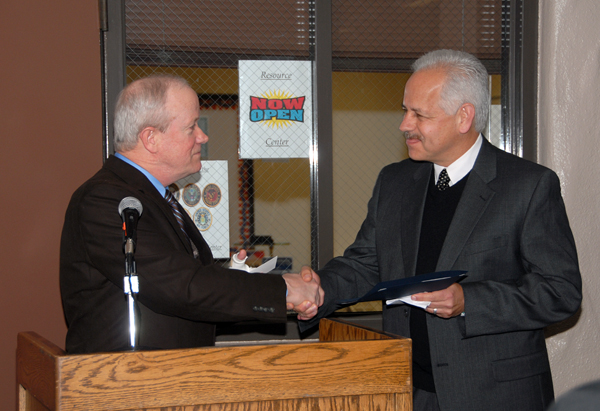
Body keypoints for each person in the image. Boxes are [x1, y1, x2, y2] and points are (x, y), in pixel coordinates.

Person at [297, 49, 582, 411]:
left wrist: (469, 301)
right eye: (404, 110)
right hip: (408, 391)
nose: (404, 124)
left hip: (495, 396)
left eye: (419, 114)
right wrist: (318, 289)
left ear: (464, 117)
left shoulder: (528, 186)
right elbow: (367, 263)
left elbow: (561, 291)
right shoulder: (395, 181)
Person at [60, 74, 323, 354]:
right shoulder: (106, 200)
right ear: (151, 138)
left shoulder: (152, 195)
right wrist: (282, 290)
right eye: (191, 127)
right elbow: (180, 286)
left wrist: (235, 277)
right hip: (127, 386)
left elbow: (183, 281)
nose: (202, 136)